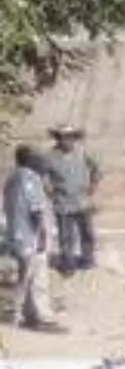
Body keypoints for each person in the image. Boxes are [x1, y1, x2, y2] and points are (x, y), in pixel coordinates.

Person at [4, 146, 61, 332]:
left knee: (26, 276)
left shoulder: (12, 178)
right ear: (28, 160)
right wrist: (43, 236)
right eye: (36, 158)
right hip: (31, 236)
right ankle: (42, 318)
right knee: (38, 278)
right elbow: (36, 209)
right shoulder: (30, 178)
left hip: (18, 236)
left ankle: (25, 314)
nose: (41, 161)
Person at [44, 125, 100, 273]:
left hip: (82, 201)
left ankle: (87, 259)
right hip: (63, 202)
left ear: (74, 138)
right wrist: (49, 191)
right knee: (66, 235)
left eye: (70, 137)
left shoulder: (82, 152)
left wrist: (93, 184)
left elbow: (96, 168)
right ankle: (68, 263)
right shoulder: (50, 156)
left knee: (87, 232)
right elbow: (43, 176)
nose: (66, 140)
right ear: (58, 138)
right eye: (63, 137)